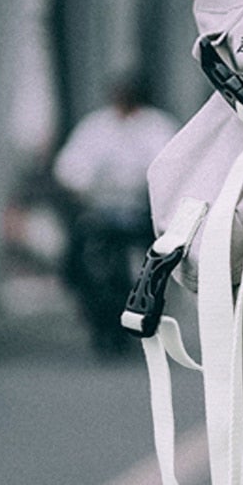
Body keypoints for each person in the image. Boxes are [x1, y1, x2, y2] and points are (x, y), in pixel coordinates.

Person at [52, 75, 178, 354]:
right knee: (77, 254)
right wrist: (79, 182)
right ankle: (84, 298)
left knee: (157, 258)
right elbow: (71, 166)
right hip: (100, 210)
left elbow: (165, 165)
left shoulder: (156, 126)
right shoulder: (96, 127)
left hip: (140, 211)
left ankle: (149, 301)